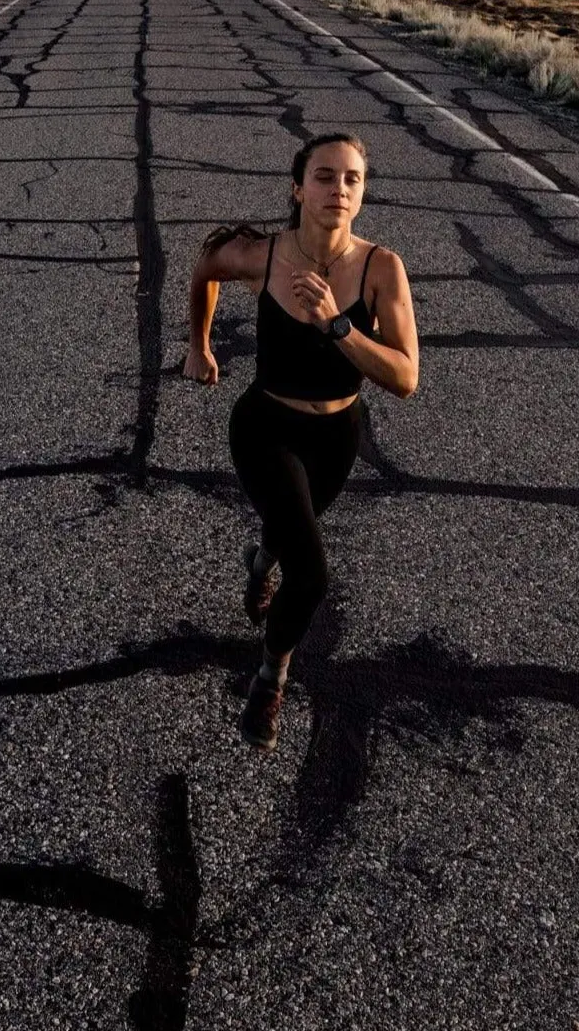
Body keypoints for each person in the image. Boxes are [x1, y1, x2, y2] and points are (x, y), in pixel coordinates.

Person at [183, 133, 419, 750]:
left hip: (337, 436)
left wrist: (335, 326)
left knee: (293, 530)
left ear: (361, 193)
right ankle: (270, 679)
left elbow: (405, 378)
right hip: (265, 424)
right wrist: (198, 345)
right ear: (297, 188)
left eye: (352, 179)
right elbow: (207, 265)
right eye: (323, 176)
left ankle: (261, 562)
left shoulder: (379, 269)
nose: (338, 189)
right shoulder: (264, 256)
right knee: (310, 573)